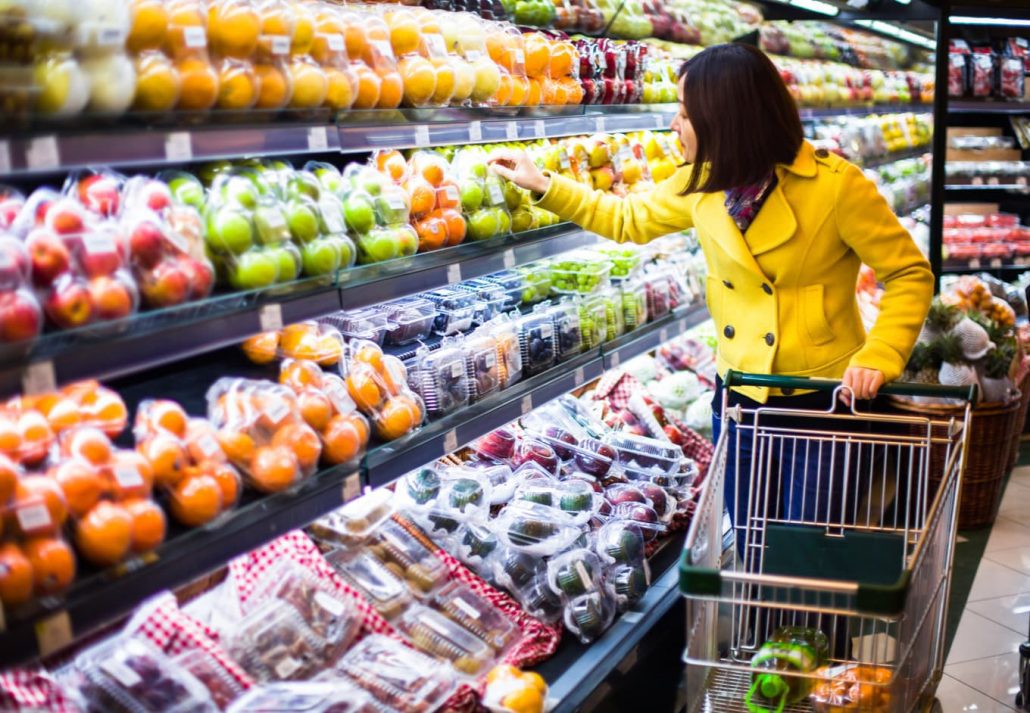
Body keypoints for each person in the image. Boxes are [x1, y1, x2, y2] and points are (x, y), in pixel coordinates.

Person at [490, 43, 934, 556]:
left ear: (728, 120)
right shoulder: (701, 184)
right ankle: (762, 634)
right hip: (740, 395)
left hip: (821, 400)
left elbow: (908, 274)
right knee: (751, 542)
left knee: (806, 549)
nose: (674, 126)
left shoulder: (837, 188)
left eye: (684, 114)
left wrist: (880, 354)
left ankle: (805, 635)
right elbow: (627, 219)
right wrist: (544, 183)